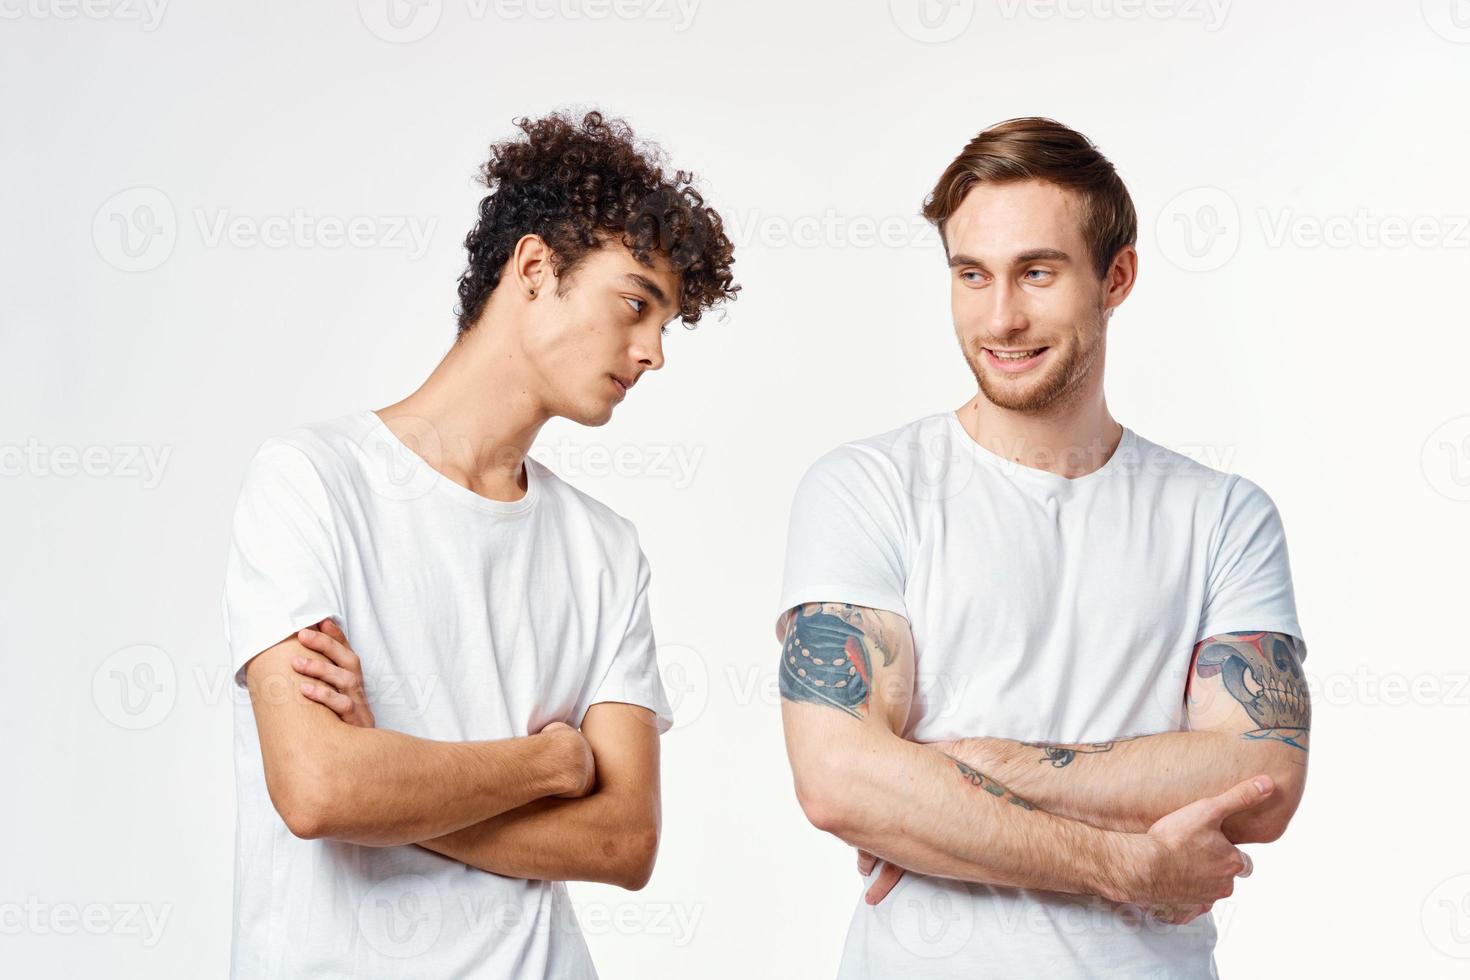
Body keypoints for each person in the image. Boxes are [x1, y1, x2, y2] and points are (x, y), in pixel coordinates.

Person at [776, 117, 1309, 978]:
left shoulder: (1222, 515)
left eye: (1037, 273)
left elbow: (1261, 776)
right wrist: (1124, 865)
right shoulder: (865, 487)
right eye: (971, 275)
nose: (1002, 317)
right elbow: (840, 781)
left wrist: (962, 769)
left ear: (1116, 277)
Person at [221, 110, 737, 978]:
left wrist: (390, 782)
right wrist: (551, 759)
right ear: (535, 268)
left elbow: (625, 839)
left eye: (666, 324)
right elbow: (317, 788)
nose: (652, 352)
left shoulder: (605, 550)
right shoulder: (312, 481)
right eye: (637, 304)